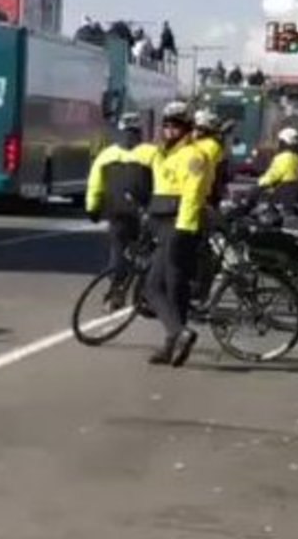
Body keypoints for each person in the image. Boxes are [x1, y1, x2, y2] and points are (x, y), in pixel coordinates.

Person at [144, 102, 209, 367]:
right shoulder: (164, 153)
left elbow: (192, 194)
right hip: (163, 222)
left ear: (187, 128)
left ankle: (179, 332)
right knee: (174, 288)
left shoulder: (194, 155)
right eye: (166, 125)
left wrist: (184, 227)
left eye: (176, 126)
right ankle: (172, 346)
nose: (169, 130)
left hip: (178, 225)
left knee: (152, 286)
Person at [85, 113, 157, 305]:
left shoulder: (106, 154)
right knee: (149, 251)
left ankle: (116, 290)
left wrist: (92, 208)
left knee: (118, 250)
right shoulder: (151, 153)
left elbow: (95, 184)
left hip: (116, 211)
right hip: (144, 211)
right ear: (140, 132)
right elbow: (163, 183)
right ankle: (147, 293)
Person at [258, 127, 298, 209]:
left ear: (283, 143)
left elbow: (272, 176)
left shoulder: (283, 158)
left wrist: (260, 183)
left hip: (285, 194)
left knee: (257, 192)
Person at [192, 109, 227, 206]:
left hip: (204, 191)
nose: (194, 132)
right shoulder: (213, 144)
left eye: (198, 129)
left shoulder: (210, 145)